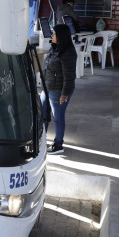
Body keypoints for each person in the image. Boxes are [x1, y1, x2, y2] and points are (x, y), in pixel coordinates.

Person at [43, 23, 77, 155]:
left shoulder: (68, 52)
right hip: (48, 88)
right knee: (43, 114)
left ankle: (58, 145)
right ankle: (41, 140)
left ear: (61, 35)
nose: (52, 35)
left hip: (58, 90)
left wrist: (65, 94)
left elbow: (69, 77)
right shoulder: (55, 48)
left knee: (57, 117)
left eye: (54, 33)